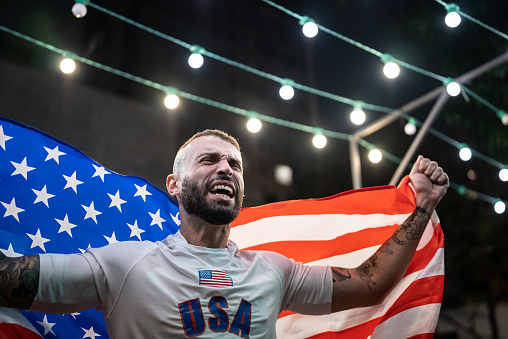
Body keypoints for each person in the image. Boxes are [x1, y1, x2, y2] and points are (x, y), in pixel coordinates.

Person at [0, 129, 449, 338]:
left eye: (234, 165)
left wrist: (422, 206)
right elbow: (10, 279)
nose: (225, 170)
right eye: (209, 160)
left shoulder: (273, 271)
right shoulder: (124, 264)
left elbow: (371, 282)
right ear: (174, 186)